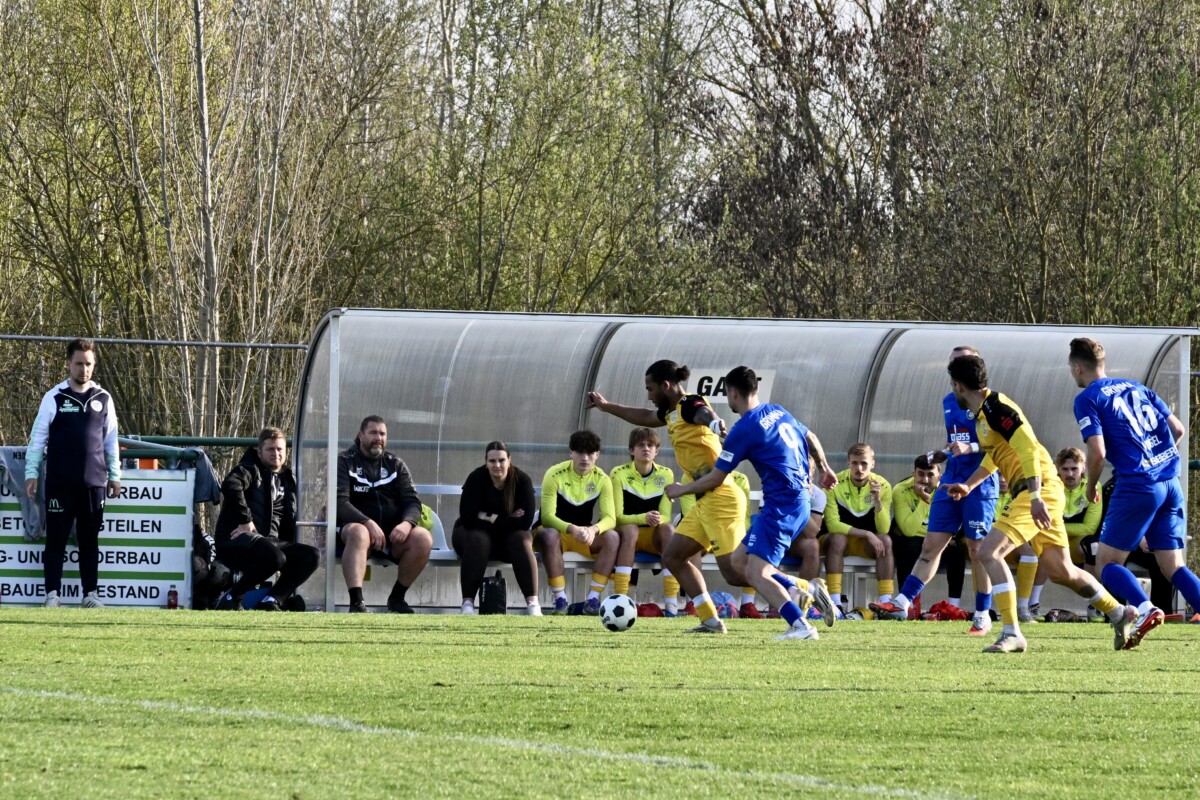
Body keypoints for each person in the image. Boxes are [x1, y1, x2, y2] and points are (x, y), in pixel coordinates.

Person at [589, 360, 821, 635]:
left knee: (737, 572)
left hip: (721, 498)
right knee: (673, 556)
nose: (648, 394)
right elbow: (645, 416)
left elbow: (703, 412)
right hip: (703, 500)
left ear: (666, 385)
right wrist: (607, 406)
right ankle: (710, 620)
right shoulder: (671, 412)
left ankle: (805, 588)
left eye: (650, 389)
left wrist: (713, 422)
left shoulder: (689, 404)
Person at [939, 354, 1132, 653]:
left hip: (1037, 491)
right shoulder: (982, 415)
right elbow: (997, 455)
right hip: (1041, 491)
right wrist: (969, 485)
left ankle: (1011, 632)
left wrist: (1035, 496)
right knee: (1061, 570)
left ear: (958, 385)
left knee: (989, 552)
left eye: (952, 385)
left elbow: (1029, 447)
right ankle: (1119, 613)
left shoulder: (996, 408)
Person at [666, 366, 839, 640]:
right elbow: (811, 437)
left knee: (757, 573)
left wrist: (681, 489)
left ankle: (801, 626)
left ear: (733, 393)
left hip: (781, 505)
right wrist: (826, 468)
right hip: (798, 501)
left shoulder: (744, 428)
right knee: (739, 561)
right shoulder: (777, 410)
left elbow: (715, 478)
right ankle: (809, 589)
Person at [1068, 336, 1200, 648]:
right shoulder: (1137, 387)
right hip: (1170, 482)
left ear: (1077, 368)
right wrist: (1157, 459)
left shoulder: (1088, 398)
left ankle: (1144, 608)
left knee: (1107, 563)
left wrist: (1091, 487)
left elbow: (1097, 453)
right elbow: (1178, 429)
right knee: (1173, 566)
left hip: (1138, 484)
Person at [871, 346, 999, 633]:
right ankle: (902, 603)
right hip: (950, 480)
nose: (954, 368)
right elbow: (956, 439)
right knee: (931, 545)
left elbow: (998, 445)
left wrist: (971, 447)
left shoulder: (991, 403)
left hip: (979, 484)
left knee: (977, 549)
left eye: (961, 362)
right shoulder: (949, 401)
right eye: (952, 362)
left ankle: (982, 613)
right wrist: (944, 453)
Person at [25, 338, 120, 609]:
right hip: (59, 483)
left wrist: (115, 475)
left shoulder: (103, 398)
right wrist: (31, 472)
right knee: (55, 540)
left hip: (94, 484)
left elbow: (111, 441)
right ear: (68, 363)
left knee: (89, 542)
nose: (84, 369)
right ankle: (52, 595)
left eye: (88, 364)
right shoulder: (54, 397)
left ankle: (91, 595)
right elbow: (37, 439)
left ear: (94, 364)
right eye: (79, 363)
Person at [336, 415, 433, 613]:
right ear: (361, 435)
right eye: (373, 433)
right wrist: (368, 523)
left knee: (423, 538)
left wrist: (407, 524)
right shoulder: (344, 461)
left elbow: (412, 502)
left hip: (392, 536)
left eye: (382, 434)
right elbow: (340, 502)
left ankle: (397, 598)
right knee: (359, 533)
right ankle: (357, 602)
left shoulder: (395, 464)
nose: (378, 438)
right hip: (355, 532)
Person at [213, 428, 318, 611]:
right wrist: (245, 520)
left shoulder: (287, 478)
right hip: (239, 540)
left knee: (311, 556)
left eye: (280, 449)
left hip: (271, 542)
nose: (276, 453)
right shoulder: (249, 468)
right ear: (260, 451)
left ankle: (272, 600)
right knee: (274, 557)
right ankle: (232, 597)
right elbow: (231, 485)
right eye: (270, 449)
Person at [534, 429, 625, 615]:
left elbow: (610, 518)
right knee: (549, 535)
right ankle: (560, 600)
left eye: (590, 453)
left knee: (612, 537)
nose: (585, 458)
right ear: (571, 452)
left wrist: (593, 530)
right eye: (580, 452)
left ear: (597, 455)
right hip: (555, 533)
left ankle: (592, 600)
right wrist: (572, 528)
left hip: (583, 534)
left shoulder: (603, 479)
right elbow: (547, 517)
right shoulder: (554, 473)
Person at [452, 441, 539, 615]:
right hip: (471, 535)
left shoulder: (522, 480)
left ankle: (533, 604)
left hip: (507, 539)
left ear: (509, 460)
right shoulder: (476, 478)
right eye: (492, 461)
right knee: (479, 539)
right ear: (486, 462)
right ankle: (467, 604)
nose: (497, 465)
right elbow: (467, 517)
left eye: (501, 460)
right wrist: (506, 518)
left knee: (521, 539)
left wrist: (487, 516)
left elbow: (524, 523)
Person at [1028, 447, 1103, 619]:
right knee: (1046, 546)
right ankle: (1032, 604)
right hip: (1053, 540)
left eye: (1074, 469)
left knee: (1093, 545)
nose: (1070, 474)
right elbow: (1042, 523)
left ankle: (1094, 606)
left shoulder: (1093, 487)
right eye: (1065, 469)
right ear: (1057, 469)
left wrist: (1058, 527)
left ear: (1083, 468)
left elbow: (1089, 528)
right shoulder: (1049, 486)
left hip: (1075, 545)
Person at [610, 428, 679, 613]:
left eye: (650, 445)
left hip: (650, 536)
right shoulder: (618, 473)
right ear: (631, 450)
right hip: (625, 535)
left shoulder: (666, 474)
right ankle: (620, 600)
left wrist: (658, 518)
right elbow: (617, 517)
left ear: (657, 451)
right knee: (631, 530)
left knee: (668, 529)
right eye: (641, 445)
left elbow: (666, 515)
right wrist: (644, 517)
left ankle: (671, 604)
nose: (646, 449)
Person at [823, 443, 894, 611]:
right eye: (854, 463)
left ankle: (886, 603)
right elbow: (832, 525)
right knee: (838, 539)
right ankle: (835, 604)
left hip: (865, 546)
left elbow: (884, 529)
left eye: (864, 463)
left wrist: (877, 501)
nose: (859, 469)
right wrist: (867, 533)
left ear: (873, 464)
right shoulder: (834, 483)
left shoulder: (883, 485)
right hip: (837, 543)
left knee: (885, 540)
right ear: (848, 463)